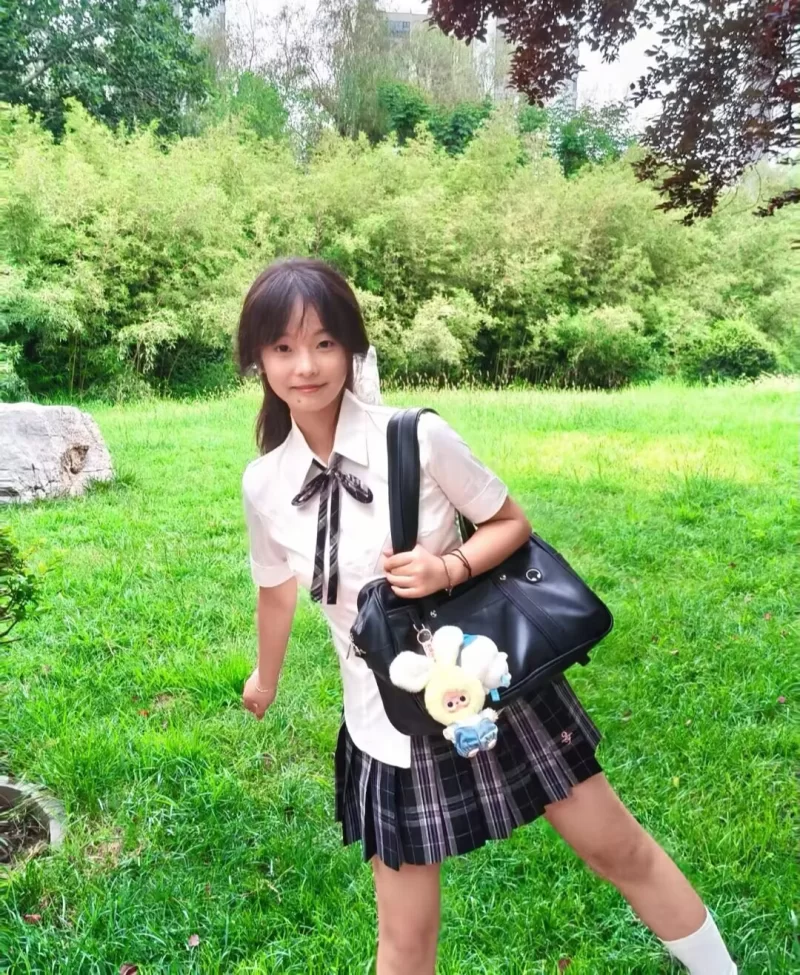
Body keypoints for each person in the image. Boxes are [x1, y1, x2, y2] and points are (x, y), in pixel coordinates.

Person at [236, 258, 737, 975]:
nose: (306, 366)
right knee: (405, 937)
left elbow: (509, 522)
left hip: (493, 685)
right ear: (258, 358)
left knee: (619, 849)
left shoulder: (415, 437)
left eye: (324, 343)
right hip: (386, 721)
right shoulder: (265, 483)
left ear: (351, 348)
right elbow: (277, 590)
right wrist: (265, 678)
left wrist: (446, 568)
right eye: (283, 347)